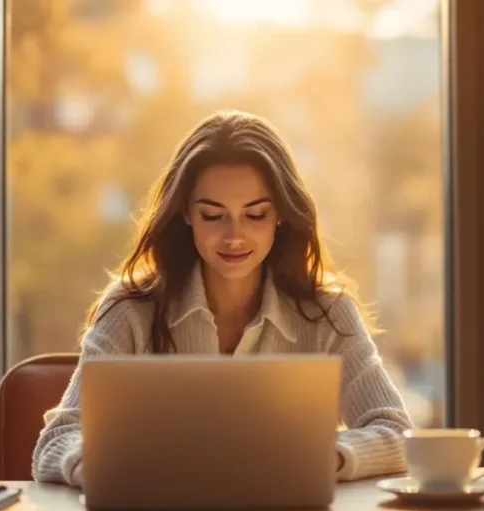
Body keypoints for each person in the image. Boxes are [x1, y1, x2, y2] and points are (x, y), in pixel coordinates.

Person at [32, 110, 413, 488]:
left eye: (256, 215)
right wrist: (104, 466)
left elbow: (396, 432)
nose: (234, 236)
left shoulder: (327, 313)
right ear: (186, 213)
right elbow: (55, 441)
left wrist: (321, 456)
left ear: (280, 213)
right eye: (214, 216)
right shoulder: (131, 309)